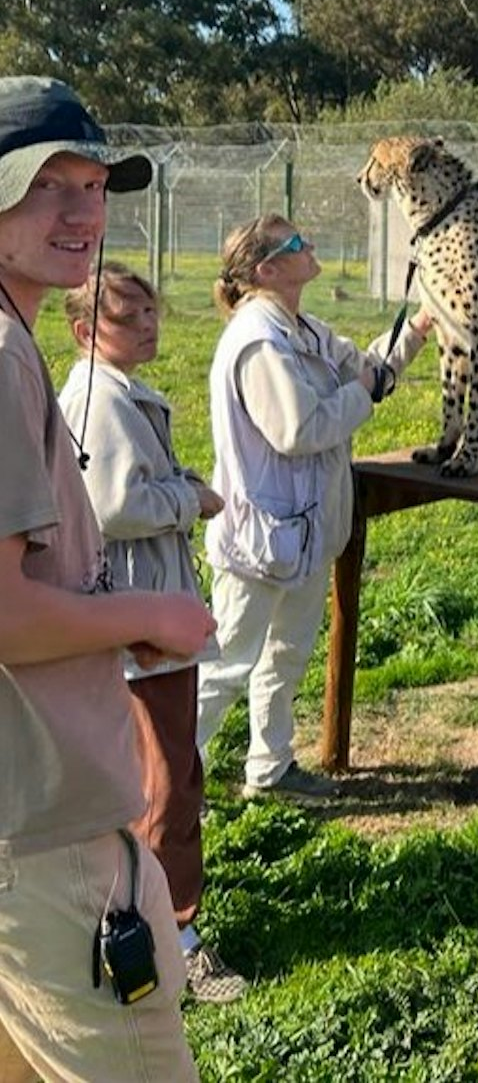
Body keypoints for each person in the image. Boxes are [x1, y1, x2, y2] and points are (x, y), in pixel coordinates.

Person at [0, 75, 216, 1081]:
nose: (83, 213)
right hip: (44, 844)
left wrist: (93, 615)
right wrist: (150, 609)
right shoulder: (1, 355)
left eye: (95, 185)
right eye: (49, 185)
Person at [58, 261, 248, 1005]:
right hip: (140, 620)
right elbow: (111, 504)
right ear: (84, 331)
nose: (148, 325)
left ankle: (154, 923)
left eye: (150, 313)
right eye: (128, 317)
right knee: (165, 786)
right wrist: (188, 497)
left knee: (176, 775)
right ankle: (172, 941)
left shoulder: (116, 393)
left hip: (148, 611)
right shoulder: (99, 399)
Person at [196, 214, 432, 800]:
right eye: (297, 242)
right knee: (225, 669)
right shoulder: (259, 341)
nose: (312, 245)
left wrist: (421, 325)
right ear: (267, 270)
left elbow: (367, 371)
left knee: (283, 659)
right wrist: (361, 397)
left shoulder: (303, 329)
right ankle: (162, 784)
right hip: (258, 543)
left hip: (299, 537)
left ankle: (269, 771)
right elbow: (299, 428)